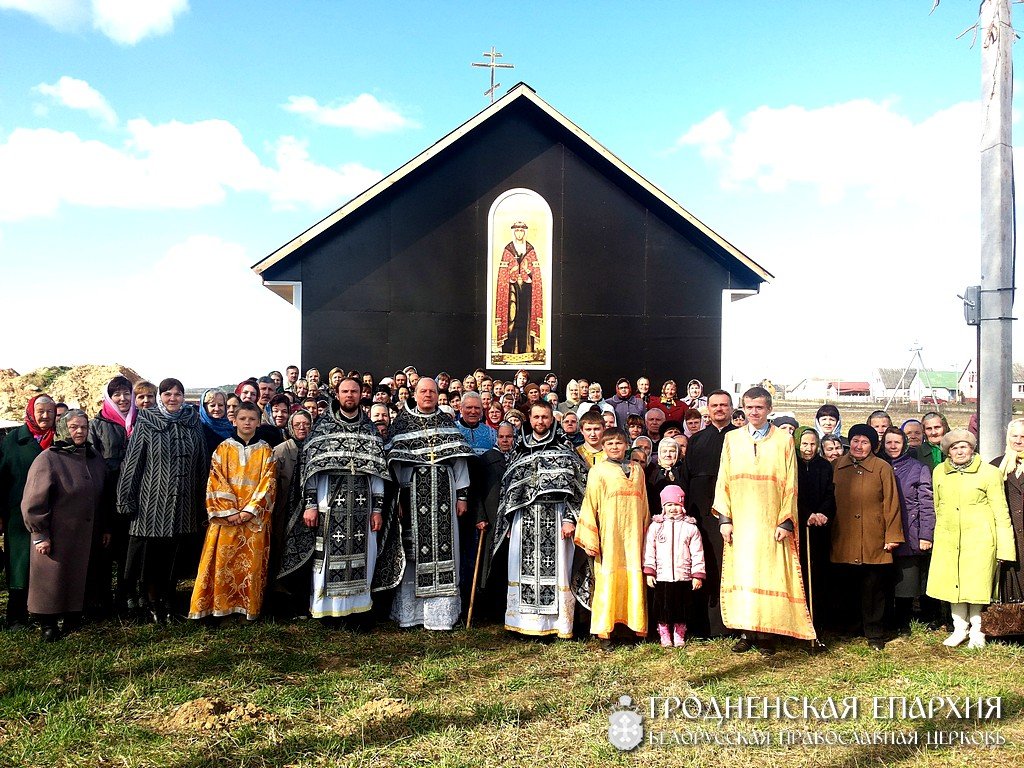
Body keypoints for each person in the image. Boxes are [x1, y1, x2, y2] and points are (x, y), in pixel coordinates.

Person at [279, 378, 399, 622]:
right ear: (337, 393)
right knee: (326, 559)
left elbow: (377, 474)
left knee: (364, 556)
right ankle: (328, 611)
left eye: (354, 391)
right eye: (345, 391)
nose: (350, 395)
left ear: (360, 395)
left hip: (362, 508)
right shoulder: (323, 428)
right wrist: (311, 505)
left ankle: (358, 610)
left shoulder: (369, 430)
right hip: (328, 504)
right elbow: (310, 470)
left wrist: (377, 510)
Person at [713, 387, 815, 653]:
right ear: (743, 409)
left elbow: (791, 482)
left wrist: (785, 520)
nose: (753, 412)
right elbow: (723, 478)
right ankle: (747, 633)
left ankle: (768, 634)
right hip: (742, 522)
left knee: (770, 575)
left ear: (769, 409)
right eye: (749, 407)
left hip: (771, 522)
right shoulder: (732, 439)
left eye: (759, 407)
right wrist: (725, 518)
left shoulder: (783, 440)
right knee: (744, 573)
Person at [117, 378, 207, 624]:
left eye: (178, 394)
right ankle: (153, 603)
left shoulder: (193, 422)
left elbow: (201, 464)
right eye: (168, 394)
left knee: (175, 558)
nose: (173, 398)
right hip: (153, 502)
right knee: (153, 557)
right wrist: (126, 498)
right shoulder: (146, 422)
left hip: (185, 502)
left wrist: (202, 503)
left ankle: (169, 601)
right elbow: (133, 463)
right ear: (160, 397)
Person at [385, 377, 473, 631]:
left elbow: (459, 462)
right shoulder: (402, 423)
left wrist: (463, 496)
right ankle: (412, 615)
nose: (428, 395)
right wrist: (399, 500)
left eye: (432, 392)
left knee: (446, 550)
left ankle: (441, 616)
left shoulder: (446, 421)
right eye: (423, 391)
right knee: (414, 553)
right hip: (413, 495)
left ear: (437, 394)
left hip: (445, 494)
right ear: (414, 393)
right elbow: (395, 467)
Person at [493, 403, 587, 638]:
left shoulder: (564, 446)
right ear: (529, 418)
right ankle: (524, 624)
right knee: (519, 569)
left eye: (544, 417)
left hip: (555, 516)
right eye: (536, 417)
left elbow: (577, 487)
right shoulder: (520, 448)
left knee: (558, 572)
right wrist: (509, 520)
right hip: (523, 518)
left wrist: (569, 519)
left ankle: (556, 625)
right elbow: (508, 487)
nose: (540, 421)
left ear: (551, 419)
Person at [21, 410, 109, 641]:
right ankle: (48, 623)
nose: (79, 431)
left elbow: (105, 496)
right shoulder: (48, 458)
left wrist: (106, 527)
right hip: (57, 533)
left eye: (83, 427)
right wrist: (40, 533)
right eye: (73, 427)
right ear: (62, 429)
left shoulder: (93, 457)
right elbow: (33, 500)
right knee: (51, 578)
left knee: (77, 576)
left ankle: (73, 617)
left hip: (86, 532)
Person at [188, 402, 277, 621]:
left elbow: (269, 483)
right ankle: (221, 606)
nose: (247, 423)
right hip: (227, 518)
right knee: (223, 562)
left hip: (253, 518)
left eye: (252, 419)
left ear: (259, 421)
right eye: (243, 418)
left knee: (251, 565)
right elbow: (216, 480)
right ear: (234, 420)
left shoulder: (266, 450)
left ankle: (247, 608)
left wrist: (250, 510)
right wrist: (231, 511)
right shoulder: (223, 448)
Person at [927, 429, 1014, 648]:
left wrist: (1005, 547)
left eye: (963, 446)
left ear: (972, 448)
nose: (959, 451)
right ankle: (959, 628)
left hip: (980, 539)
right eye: (954, 448)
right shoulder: (939, 472)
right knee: (952, 584)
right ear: (948, 452)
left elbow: (1000, 511)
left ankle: (978, 630)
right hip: (949, 539)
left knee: (977, 586)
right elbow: (938, 505)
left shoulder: (989, 473)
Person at [831, 425, 903, 650]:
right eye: (855, 441)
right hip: (843, 536)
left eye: (864, 442)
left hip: (874, 537)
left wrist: (892, 535)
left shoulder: (882, 468)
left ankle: (874, 632)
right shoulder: (836, 466)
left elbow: (892, 503)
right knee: (846, 585)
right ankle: (850, 627)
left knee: (873, 588)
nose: (858, 446)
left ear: (873, 445)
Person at [575, 427, 650, 644]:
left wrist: (647, 536)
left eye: (618, 443)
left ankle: (632, 628)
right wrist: (591, 538)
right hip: (610, 538)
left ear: (626, 445)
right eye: (610, 444)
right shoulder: (597, 471)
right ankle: (605, 632)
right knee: (608, 579)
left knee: (632, 578)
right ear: (604, 446)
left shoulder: (638, 470)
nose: (614, 447)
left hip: (634, 538)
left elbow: (644, 505)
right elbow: (590, 504)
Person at [681, 389, 736, 638]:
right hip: (701, 513)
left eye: (724, 405)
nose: (719, 409)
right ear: (708, 409)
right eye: (714, 405)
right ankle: (704, 625)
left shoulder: (740, 437)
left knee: (729, 566)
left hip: (732, 512)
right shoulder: (696, 439)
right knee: (703, 565)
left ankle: (730, 624)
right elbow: (687, 476)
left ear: (732, 408)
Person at [0, 394, 56, 629]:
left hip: (53, 513)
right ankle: (15, 617)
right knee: (20, 563)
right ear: (31, 412)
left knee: (46, 563)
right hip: (18, 514)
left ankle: (44, 612)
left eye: (50, 411)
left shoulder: (59, 438)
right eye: (40, 411)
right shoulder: (14, 440)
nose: (45, 416)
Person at [87, 376, 138, 616]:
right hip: (108, 493)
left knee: (131, 547)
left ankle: (128, 594)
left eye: (126, 393)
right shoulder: (97, 424)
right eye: (116, 394)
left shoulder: (143, 419)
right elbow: (92, 460)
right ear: (109, 397)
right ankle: (102, 598)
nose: (123, 398)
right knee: (107, 545)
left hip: (138, 494)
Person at [881, 426, 934, 633]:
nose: (893, 446)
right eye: (889, 442)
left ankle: (903, 621)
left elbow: (926, 504)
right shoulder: (877, 465)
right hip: (882, 531)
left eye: (897, 442)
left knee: (906, 580)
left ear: (904, 444)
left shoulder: (917, 468)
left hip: (909, 530)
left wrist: (925, 534)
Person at [643, 486, 705, 647]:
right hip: (662, 576)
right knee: (662, 607)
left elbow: (697, 552)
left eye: (676, 505)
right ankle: (664, 632)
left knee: (681, 607)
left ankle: (679, 633)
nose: (673, 509)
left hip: (682, 576)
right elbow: (649, 549)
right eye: (669, 505)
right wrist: (650, 571)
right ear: (663, 507)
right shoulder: (656, 527)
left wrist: (697, 574)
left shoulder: (690, 528)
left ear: (682, 506)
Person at [471, 422, 517, 624]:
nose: (505, 441)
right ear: (496, 438)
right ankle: (488, 610)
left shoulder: (519, 459)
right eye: (502, 437)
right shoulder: (486, 459)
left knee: (510, 564)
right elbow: (478, 490)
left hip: (514, 521)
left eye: (509, 437)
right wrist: (480, 516)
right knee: (490, 564)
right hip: (491, 519)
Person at [267, 409, 312, 612]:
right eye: (297, 424)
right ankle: (281, 596)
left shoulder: (316, 449)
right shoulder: (280, 451)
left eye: (306, 424)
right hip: (284, 513)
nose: (302, 428)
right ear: (290, 427)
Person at [793, 426, 834, 638]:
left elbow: (830, 492)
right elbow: (792, 495)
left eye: (812, 444)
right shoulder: (792, 465)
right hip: (799, 526)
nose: (808, 449)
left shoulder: (824, 466)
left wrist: (824, 513)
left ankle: (819, 621)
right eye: (804, 444)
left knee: (819, 573)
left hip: (820, 527)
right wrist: (807, 513)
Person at [495, 220, 543, 355]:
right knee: (512, 316)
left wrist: (528, 274)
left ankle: (526, 350)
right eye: (517, 230)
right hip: (511, 288)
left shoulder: (530, 250)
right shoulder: (508, 250)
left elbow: (536, 273)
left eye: (522, 230)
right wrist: (513, 274)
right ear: (513, 232)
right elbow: (503, 274)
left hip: (527, 290)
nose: (519, 233)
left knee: (525, 317)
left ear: (525, 232)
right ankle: (510, 350)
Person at [993, 418, 1024, 605]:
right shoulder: (996, 466)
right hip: (1008, 532)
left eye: (1023, 436)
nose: (1019, 440)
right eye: (1015, 436)